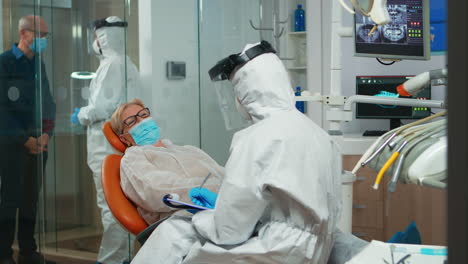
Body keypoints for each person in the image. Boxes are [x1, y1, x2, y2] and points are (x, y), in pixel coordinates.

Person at [130, 41, 343, 264]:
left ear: (246, 91)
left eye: (236, 91)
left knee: (174, 231)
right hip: (315, 251)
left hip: (275, 251)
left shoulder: (257, 138)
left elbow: (229, 231)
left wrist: (203, 217)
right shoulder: (320, 135)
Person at [70, 16, 142, 264]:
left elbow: (101, 108)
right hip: (118, 147)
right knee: (123, 205)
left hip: (106, 148)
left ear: (103, 37)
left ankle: (111, 260)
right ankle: (126, 257)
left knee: (111, 207)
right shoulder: (126, 63)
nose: (94, 41)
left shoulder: (112, 65)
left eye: (96, 36)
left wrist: (80, 114)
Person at [109, 99, 223, 225]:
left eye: (144, 115)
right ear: (125, 139)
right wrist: (214, 190)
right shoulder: (133, 158)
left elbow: (224, 174)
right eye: (132, 121)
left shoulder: (189, 150)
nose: (142, 121)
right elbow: (156, 190)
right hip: (186, 220)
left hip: (224, 207)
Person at [0, 15, 56, 264]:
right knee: (10, 200)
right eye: (41, 34)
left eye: (46, 36)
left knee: (31, 200)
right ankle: (3, 253)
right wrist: (25, 139)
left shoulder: (38, 64)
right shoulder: (4, 63)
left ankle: (28, 250)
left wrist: (46, 134)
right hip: (12, 145)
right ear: (24, 34)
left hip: (38, 143)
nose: (44, 40)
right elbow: (2, 110)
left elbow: (48, 103)